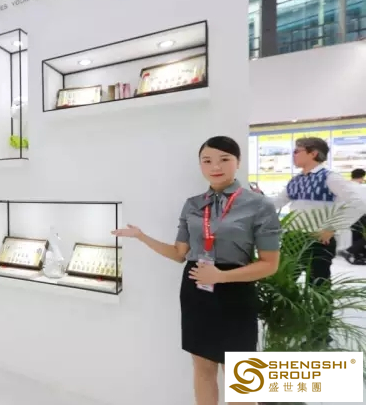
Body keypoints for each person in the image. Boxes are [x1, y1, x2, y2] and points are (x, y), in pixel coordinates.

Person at [112, 136, 280, 405]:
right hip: (197, 291)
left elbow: (270, 264)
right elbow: (179, 254)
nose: (215, 166)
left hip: (235, 293)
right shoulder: (193, 204)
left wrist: (221, 276)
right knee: (202, 367)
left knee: (241, 377)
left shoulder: (259, 205)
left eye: (224, 159)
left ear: (238, 162)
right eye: (207, 161)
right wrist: (141, 237)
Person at [272, 138, 366, 343]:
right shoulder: (296, 180)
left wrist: (331, 228)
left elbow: (359, 203)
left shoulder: (329, 178)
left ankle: (320, 333)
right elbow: (277, 202)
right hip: (293, 238)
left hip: (318, 241)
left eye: (297, 151)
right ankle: (290, 324)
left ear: (313, 153)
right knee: (285, 283)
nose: (293, 155)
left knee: (318, 286)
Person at [338, 168, 366, 264]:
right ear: (362, 177)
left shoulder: (344, 187)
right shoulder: (360, 188)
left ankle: (358, 256)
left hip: (347, 215)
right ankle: (350, 251)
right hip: (360, 214)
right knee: (358, 234)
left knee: (356, 234)